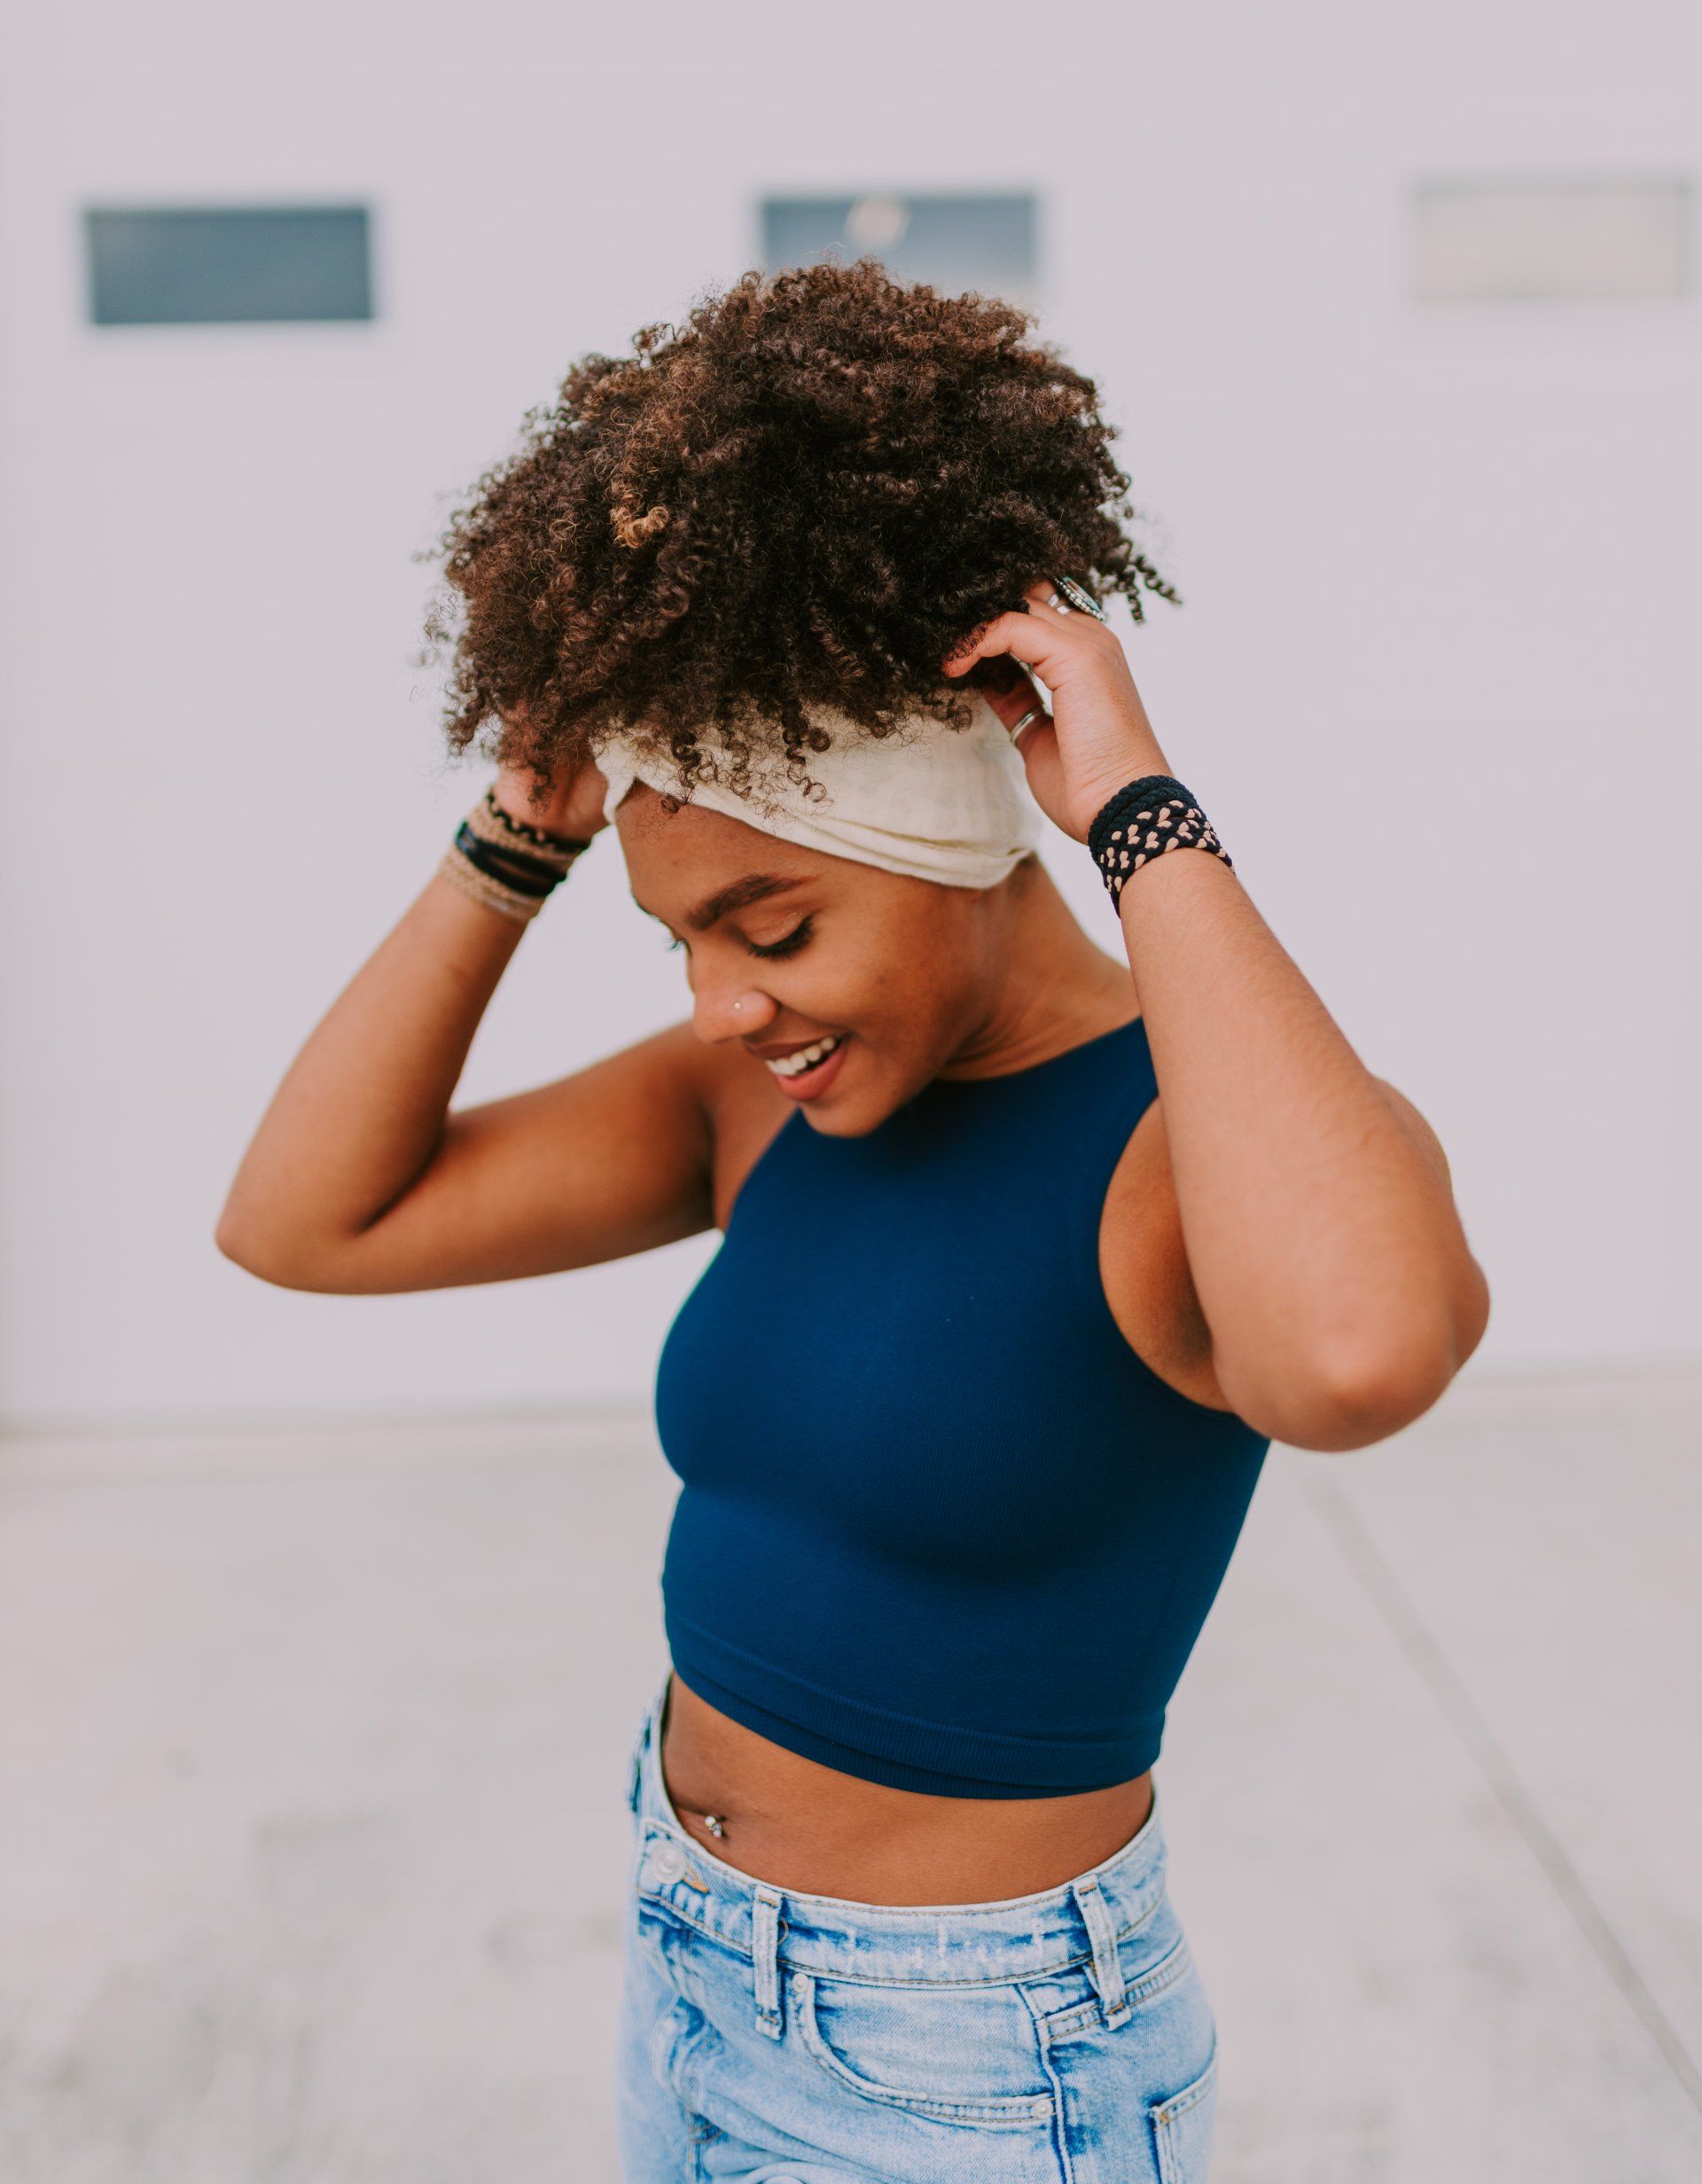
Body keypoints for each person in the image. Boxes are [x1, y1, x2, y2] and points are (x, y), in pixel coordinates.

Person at [217, 261, 1489, 2182]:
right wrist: (515, 844)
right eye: (680, 939)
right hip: (688, 1962)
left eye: (778, 925)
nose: (724, 1004)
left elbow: (1359, 1351)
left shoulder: (1172, 1150)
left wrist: (1135, 807)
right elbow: (305, 1221)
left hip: (964, 2054)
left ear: (961, 844)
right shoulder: (760, 1098)